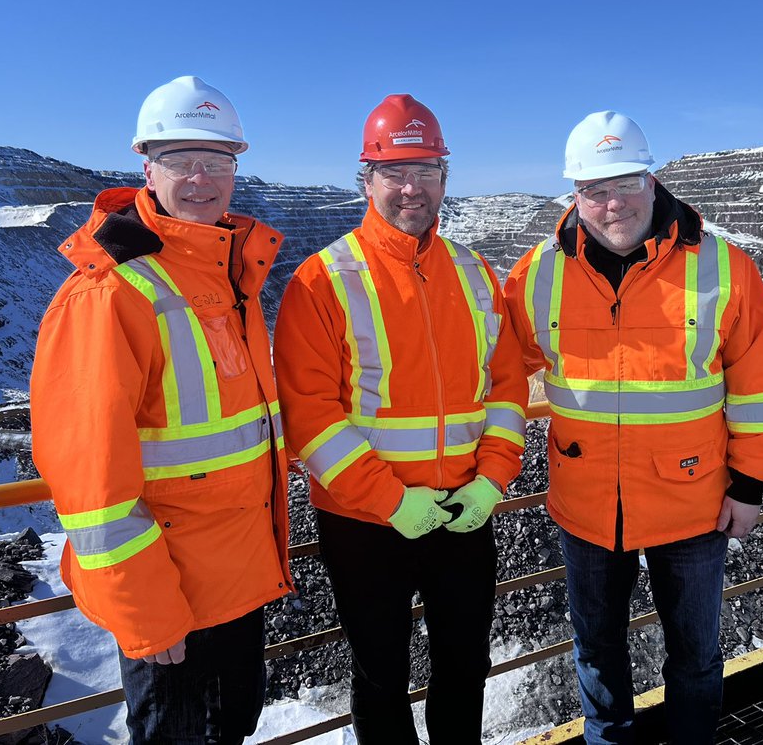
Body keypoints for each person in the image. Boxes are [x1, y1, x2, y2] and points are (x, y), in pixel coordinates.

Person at [504, 111, 763, 745]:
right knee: (597, 649)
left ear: (653, 180)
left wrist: (749, 487)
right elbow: (501, 371)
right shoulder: (538, 273)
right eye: (595, 189)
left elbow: (760, 387)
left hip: (691, 505)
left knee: (695, 654)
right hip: (585, 505)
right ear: (574, 195)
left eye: (627, 182)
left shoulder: (724, 267)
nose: (613, 204)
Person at [31, 76, 292, 745]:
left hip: (235, 582)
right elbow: (90, 486)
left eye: (217, 161)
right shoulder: (111, 292)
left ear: (236, 168)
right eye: (181, 161)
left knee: (231, 729)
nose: (201, 178)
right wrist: (147, 616)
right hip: (172, 603)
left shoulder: (225, 273)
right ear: (146, 166)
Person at [273, 93, 528, 745]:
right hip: (367, 526)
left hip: (463, 512)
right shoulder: (321, 280)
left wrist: (491, 480)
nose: (411, 188)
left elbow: (504, 389)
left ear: (446, 177)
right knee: (382, 678)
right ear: (367, 179)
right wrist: (391, 500)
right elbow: (311, 419)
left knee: (466, 667)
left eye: (426, 172)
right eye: (395, 172)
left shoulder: (473, 273)